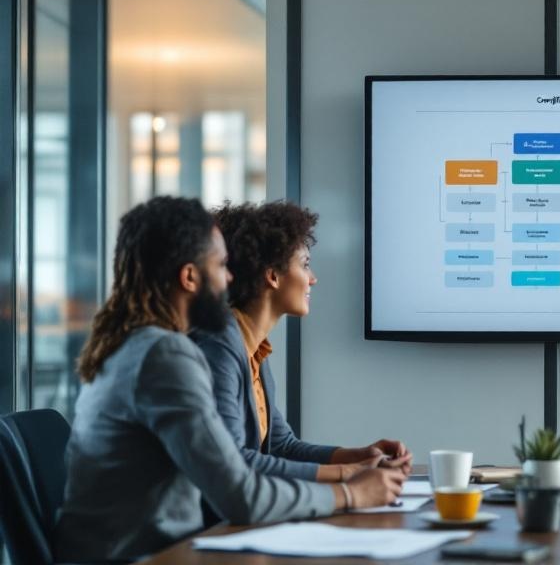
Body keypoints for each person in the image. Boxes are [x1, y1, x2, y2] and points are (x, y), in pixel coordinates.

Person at [54, 197, 405, 562]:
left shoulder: (140, 346)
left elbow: (270, 451)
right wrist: (351, 492)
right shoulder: (164, 356)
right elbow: (240, 494)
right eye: (220, 265)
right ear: (190, 277)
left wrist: (352, 471)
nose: (230, 278)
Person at [190, 201, 412, 491]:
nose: (313, 279)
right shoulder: (219, 346)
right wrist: (349, 474)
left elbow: (282, 446)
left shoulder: (253, 349)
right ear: (273, 276)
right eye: (305, 265)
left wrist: (360, 457)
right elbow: (234, 461)